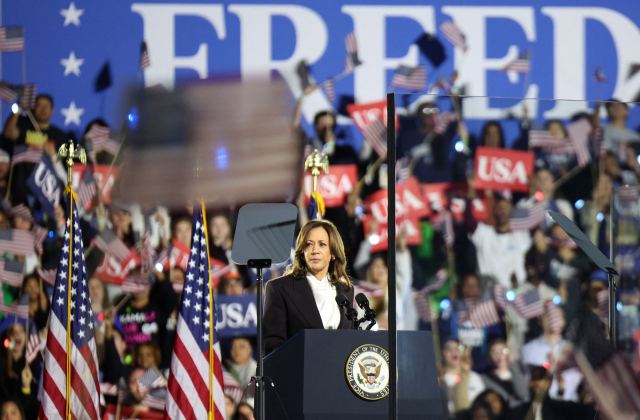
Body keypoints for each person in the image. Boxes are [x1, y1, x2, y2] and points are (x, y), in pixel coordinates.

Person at [263, 219, 354, 355]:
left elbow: (350, 340)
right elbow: (272, 346)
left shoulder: (346, 290)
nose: (314, 251)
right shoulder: (279, 288)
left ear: (333, 252)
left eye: (322, 244)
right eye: (309, 244)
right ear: (302, 251)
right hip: (299, 373)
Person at [439, 337, 485, 416]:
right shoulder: (440, 379)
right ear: (442, 354)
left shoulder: (475, 377)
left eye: (457, 348)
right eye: (449, 349)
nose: (454, 352)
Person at [2, 94, 67, 149]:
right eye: (40, 106)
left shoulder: (60, 136)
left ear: (52, 111)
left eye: (47, 107)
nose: (43, 110)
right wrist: (18, 107)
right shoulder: (23, 127)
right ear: (33, 108)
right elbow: (8, 134)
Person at [480, 340, 528, 408]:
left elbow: (524, 395)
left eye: (504, 351)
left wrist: (513, 364)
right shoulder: (484, 378)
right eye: (495, 352)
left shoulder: (519, 371)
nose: (500, 355)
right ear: (489, 356)